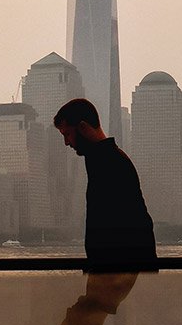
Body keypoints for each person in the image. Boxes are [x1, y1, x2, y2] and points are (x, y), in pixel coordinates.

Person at [53, 98, 157, 269]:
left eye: (67, 134)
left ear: (83, 127)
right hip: (114, 277)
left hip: (113, 278)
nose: (66, 142)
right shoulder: (107, 159)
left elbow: (130, 226)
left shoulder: (109, 163)